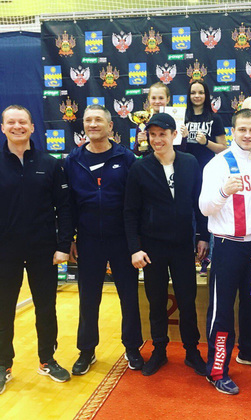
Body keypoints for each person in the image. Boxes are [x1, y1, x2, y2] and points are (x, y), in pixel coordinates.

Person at [124, 112, 209, 377]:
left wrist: (203, 236)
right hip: (152, 248)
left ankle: (192, 351)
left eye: (162, 134)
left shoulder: (190, 162)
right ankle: (159, 350)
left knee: (187, 300)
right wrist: (134, 248)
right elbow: (130, 211)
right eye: (152, 135)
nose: (157, 139)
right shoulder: (140, 167)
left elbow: (199, 203)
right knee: (157, 301)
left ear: (174, 134)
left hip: (183, 245)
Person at [199, 109, 251, 396]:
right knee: (222, 310)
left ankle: (249, 351)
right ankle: (217, 370)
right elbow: (204, 208)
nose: (247, 134)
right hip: (227, 245)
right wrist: (223, 192)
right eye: (242, 129)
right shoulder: (218, 164)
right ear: (233, 131)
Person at [64, 105, 143, 376]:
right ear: (83, 126)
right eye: (88, 120)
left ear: (110, 126)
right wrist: (70, 238)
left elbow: (136, 202)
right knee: (88, 299)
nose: (93, 124)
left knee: (129, 298)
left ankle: (132, 347)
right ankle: (86, 350)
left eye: (99, 120)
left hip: (122, 239)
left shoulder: (127, 158)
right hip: (88, 240)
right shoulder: (72, 160)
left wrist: (136, 241)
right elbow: (68, 204)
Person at [0, 105, 72, 393]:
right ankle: (3, 364)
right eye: (11, 122)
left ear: (32, 127)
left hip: (43, 250)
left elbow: (64, 208)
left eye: (23, 122)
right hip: (5, 251)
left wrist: (63, 246)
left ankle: (47, 360)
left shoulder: (50, 164)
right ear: (3, 127)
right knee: (3, 308)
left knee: (46, 307)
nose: (17, 126)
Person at [180, 80, 227, 276]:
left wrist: (206, 142)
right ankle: (185, 260)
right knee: (186, 214)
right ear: (189, 96)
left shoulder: (214, 119)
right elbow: (173, 145)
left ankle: (207, 259)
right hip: (185, 173)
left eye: (201, 92)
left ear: (206, 95)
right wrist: (182, 137)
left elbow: (223, 148)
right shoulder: (182, 116)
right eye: (193, 93)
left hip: (207, 173)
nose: (197, 96)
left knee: (206, 213)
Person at [133, 82, 171, 157]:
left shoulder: (175, 117)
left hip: (170, 160)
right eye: (153, 98)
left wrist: (183, 137)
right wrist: (139, 142)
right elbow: (137, 152)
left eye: (161, 98)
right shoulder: (143, 119)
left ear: (167, 99)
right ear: (149, 99)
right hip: (150, 161)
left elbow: (181, 149)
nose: (157, 101)